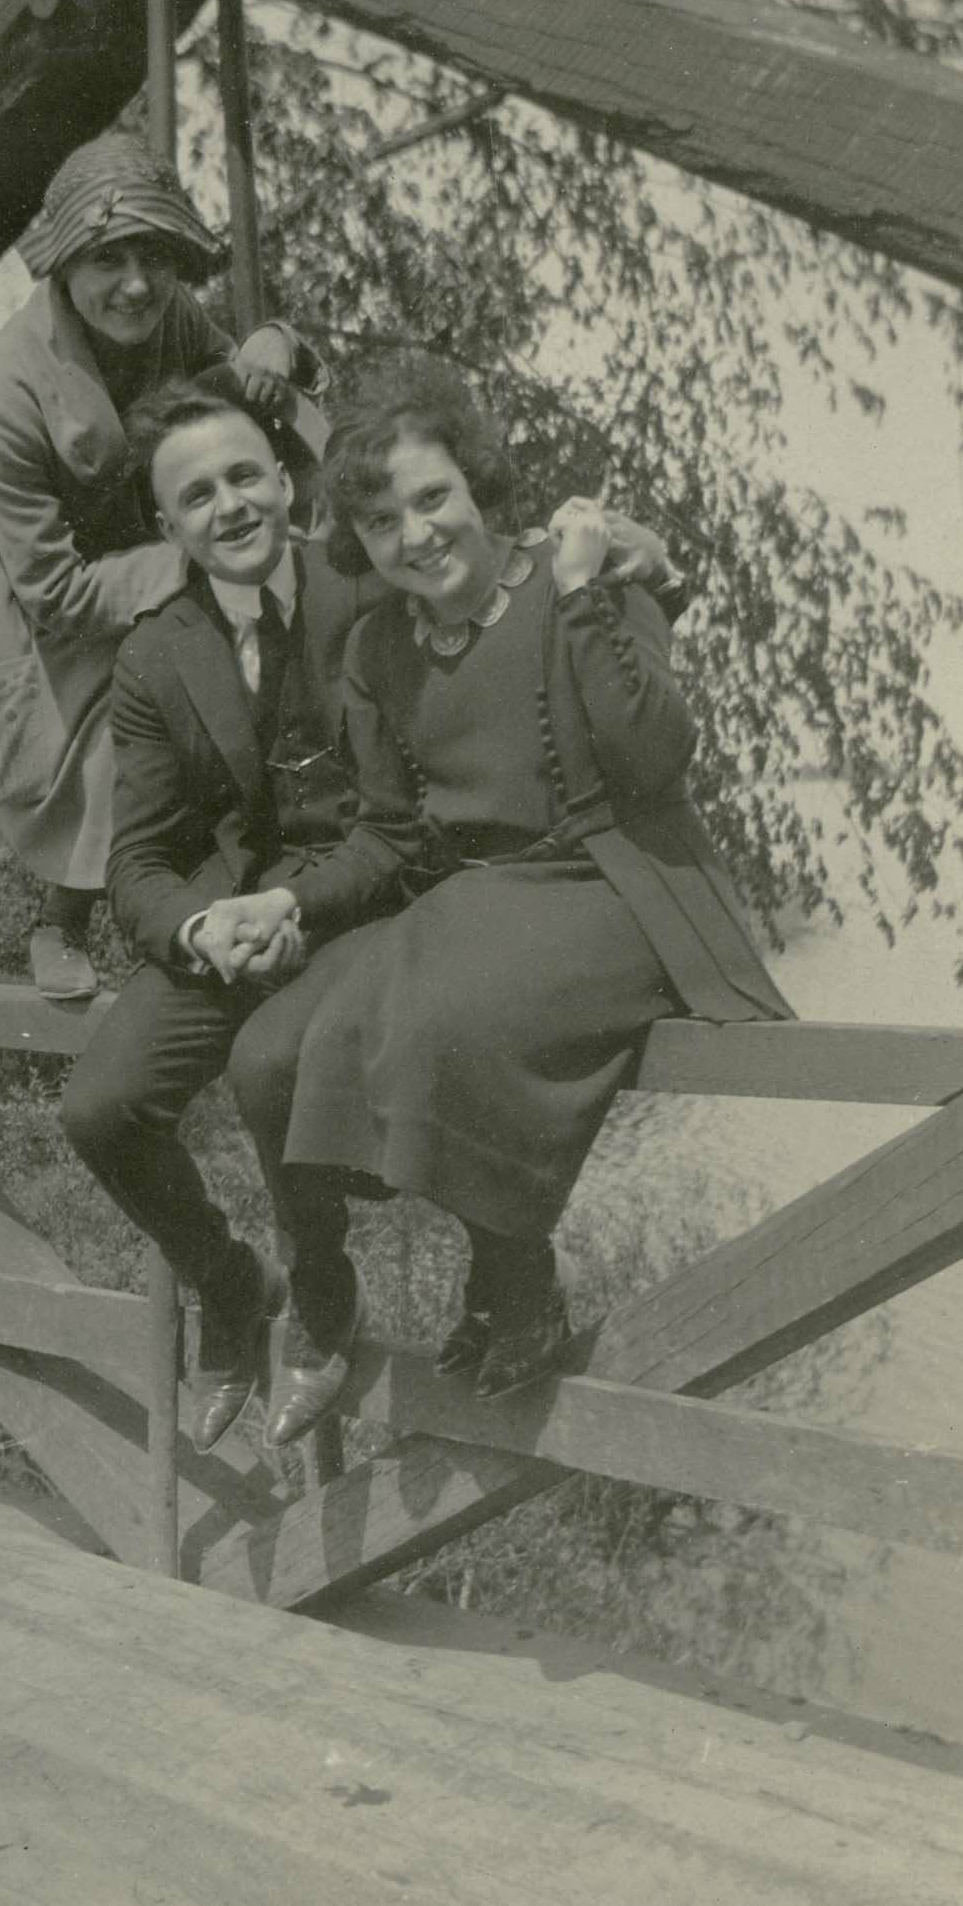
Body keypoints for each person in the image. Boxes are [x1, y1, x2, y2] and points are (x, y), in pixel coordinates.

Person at [229, 356, 793, 1444]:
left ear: (480, 486)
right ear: (363, 542)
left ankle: (516, 1278)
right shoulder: (376, 648)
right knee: (262, 1055)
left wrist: (586, 597)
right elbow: (390, 834)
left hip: (612, 882)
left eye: (433, 497)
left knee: (442, 1019)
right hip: (476, 898)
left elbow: (658, 757)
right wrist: (289, 904)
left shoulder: (584, 580)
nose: (418, 534)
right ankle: (322, 1292)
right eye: (385, 521)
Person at [59, 366, 395, 1447]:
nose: (230, 507)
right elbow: (139, 861)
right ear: (169, 525)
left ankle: (323, 1287)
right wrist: (203, 926)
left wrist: (297, 901)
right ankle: (230, 1282)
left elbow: (415, 819)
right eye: (197, 497)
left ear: (288, 483)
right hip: (238, 929)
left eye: (246, 477)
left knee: (270, 1064)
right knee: (100, 1107)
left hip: (369, 904)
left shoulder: (369, 592)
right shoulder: (157, 653)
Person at [0, 134, 319, 997]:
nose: (137, 284)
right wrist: (199, 565)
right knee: (127, 701)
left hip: (141, 535)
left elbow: (231, 377)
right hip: (39, 585)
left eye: (155, 257)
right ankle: (60, 918)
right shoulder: (2, 388)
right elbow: (59, 594)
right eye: (109, 259)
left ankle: (247, 875)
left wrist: (271, 342)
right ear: (65, 264)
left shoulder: (169, 316)